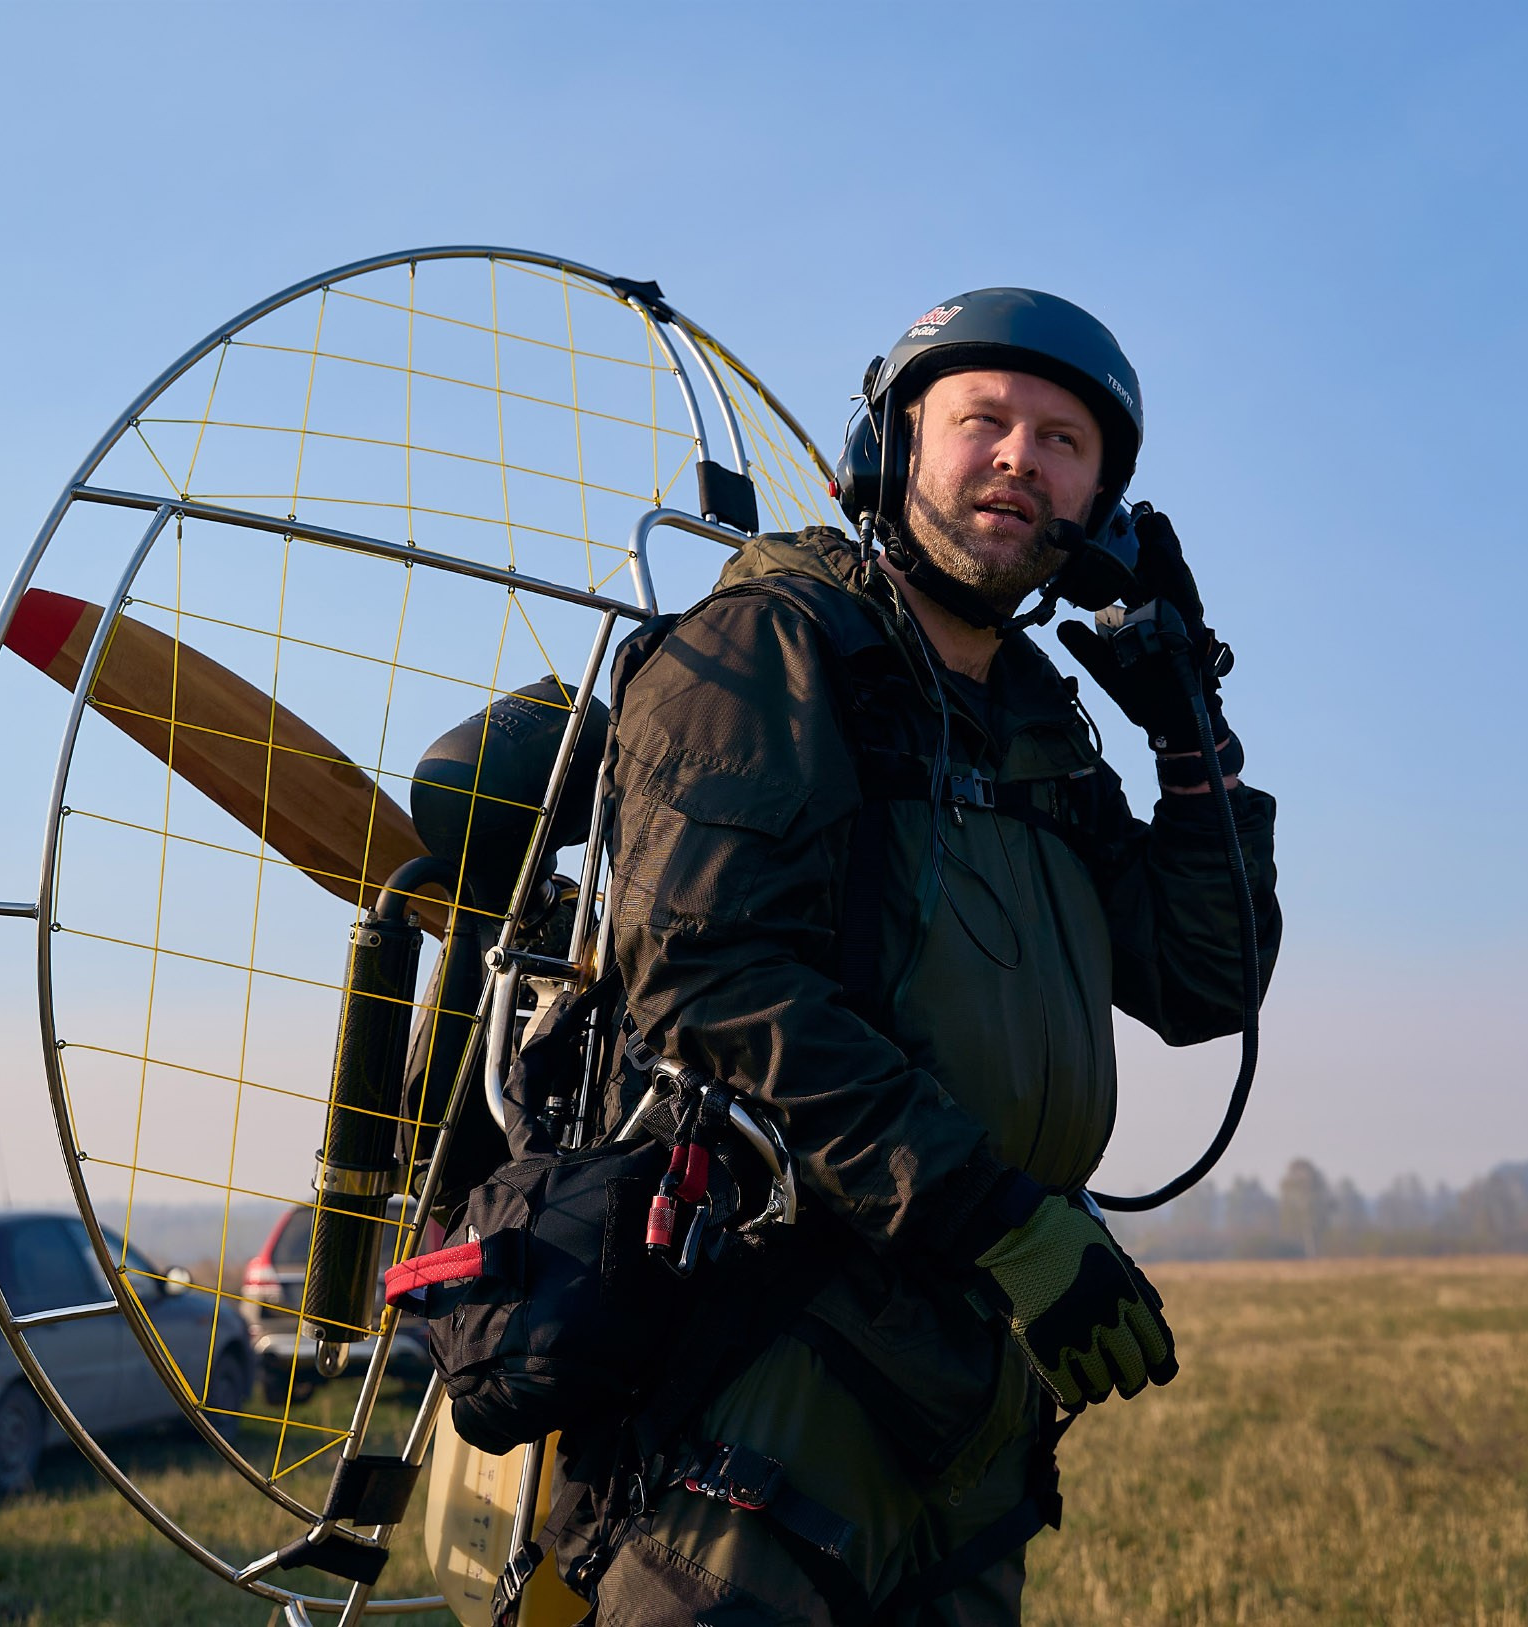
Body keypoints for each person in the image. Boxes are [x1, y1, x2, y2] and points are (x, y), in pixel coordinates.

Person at [570, 288, 1282, 1625]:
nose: (1021, 458)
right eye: (983, 421)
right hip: (775, 1346)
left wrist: (1193, 734)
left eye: (1065, 442)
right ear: (891, 446)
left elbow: (1203, 982)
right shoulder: (772, 648)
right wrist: (998, 1220)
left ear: (1099, 505)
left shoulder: (1040, 723)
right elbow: (710, 976)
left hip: (974, 1378)